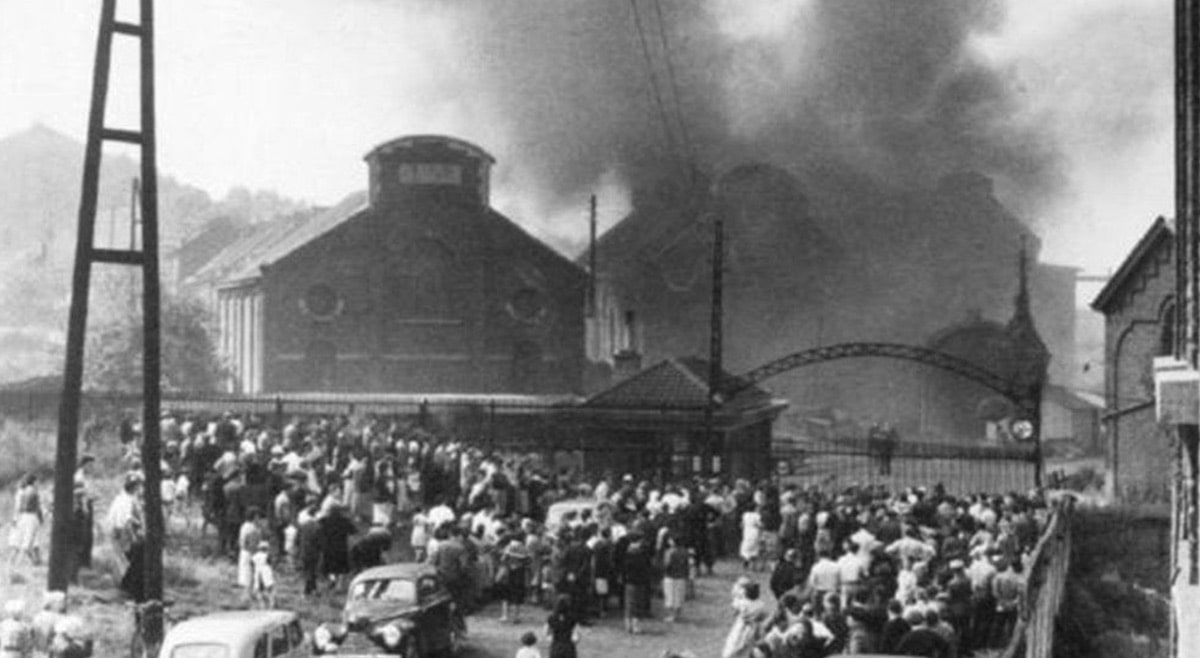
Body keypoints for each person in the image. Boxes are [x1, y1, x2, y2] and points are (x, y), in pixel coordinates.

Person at [722, 579, 769, 658]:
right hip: (754, 628)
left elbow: (734, 608)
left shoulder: (743, 603)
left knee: (734, 645)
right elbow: (765, 615)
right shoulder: (760, 604)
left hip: (743, 627)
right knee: (747, 648)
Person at [9, 474, 43, 567]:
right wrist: (41, 519)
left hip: (23, 516)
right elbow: (38, 507)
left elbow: (19, 507)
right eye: (37, 481)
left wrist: (16, 518)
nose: (38, 483)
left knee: (21, 541)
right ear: (33, 482)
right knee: (28, 543)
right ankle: (18, 564)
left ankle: (16, 562)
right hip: (32, 516)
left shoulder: (22, 492)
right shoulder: (34, 492)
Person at [498, 537, 531, 623]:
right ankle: (516, 617)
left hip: (508, 573)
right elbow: (528, 562)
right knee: (517, 596)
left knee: (505, 596)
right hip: (519, 574)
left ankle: (505, 615)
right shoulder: (523, 549)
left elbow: (502, 559)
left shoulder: (509, 547)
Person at [661, 534, 689, 623]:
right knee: (679, 596)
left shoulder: (669, 552)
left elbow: (666, 565)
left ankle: (671, 615)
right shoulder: (685, 552)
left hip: (670, 576)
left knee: (670, 596)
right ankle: (677, 615)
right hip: (681, 576)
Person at [251, 541, 276, 609]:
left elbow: (252, 564)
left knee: (259, 589)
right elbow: (270, 563)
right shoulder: (267, 556)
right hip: (266, 572)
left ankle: (262, 604)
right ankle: (271, 603)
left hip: (258, 573)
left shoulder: (255, 556)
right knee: (270, 588)